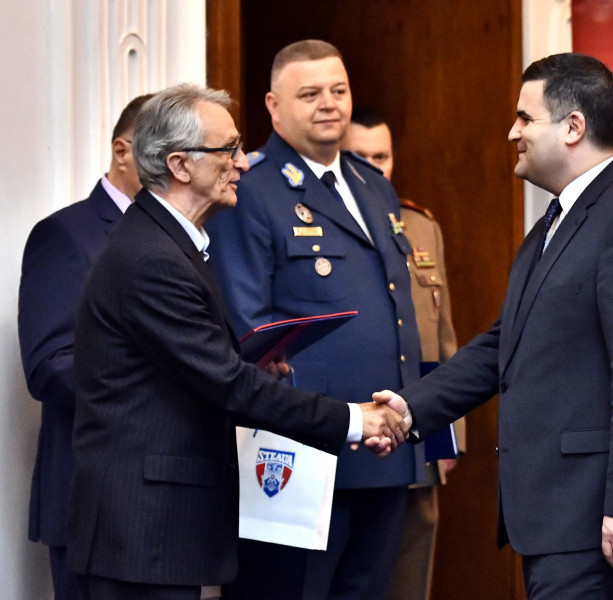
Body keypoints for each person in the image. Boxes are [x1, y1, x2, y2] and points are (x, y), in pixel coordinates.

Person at [373, 53, 613, 600]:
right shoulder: (555, 223)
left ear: (573, 127)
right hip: (558, 515)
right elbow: (504, 343)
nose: (513, 132)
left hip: (597, 515)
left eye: (525, 118)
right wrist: (411, 408)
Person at [66, 83, 408, 600]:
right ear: (180, 165)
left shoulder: (171, 244)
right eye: (228, 150)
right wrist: (356, 419)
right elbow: (226, 385)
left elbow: (189, 367)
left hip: (155, 530)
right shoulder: (153, 258)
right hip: (140, 532)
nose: (243, 164)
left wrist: (248, 364)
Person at [204, 40, 423, 600]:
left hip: (383, 447)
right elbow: (249, 335)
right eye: (310, 94)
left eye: (338, 90)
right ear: (274, 106)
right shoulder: (250, 188)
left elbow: (396, 310)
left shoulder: (373, 185)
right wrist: (331, 421)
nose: (329, 103)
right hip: (299, 454)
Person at [17, 93, 152, 600]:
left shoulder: (194, 236)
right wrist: (164, 384)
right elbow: (52, 368)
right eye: (162, 150)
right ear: (122, 152)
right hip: (94, 499)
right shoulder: (66, 234)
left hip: (171, 502)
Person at [343, 105, 464, 600]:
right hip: (353, 427)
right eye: (360, 156)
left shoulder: (419, 226)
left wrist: (446, 437)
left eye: (382, 156)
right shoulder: (330, 228)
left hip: (416, 429)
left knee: (411, 573)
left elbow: (441, 338)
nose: (375, 167)